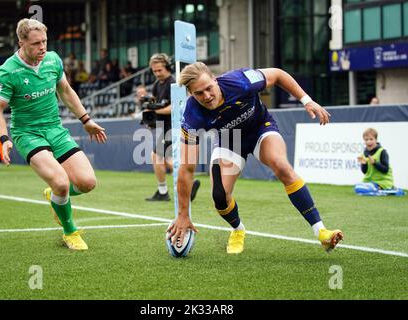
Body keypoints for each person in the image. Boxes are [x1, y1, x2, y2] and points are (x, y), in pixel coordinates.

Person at [167, 62, 343, 254]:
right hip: (229, 141)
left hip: (260, 127)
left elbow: (277, 74)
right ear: (191, 94)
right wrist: (183, 215)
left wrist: (306, 100)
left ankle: (321, 232)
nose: (207, 96)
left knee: (281, 166)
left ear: (215, 80)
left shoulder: (240, 82)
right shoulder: (192, 116)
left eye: (209, 88)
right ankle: (238, 230)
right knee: (219, 196)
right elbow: (186, 168)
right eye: (199, 93)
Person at [0, 18, 107, 251]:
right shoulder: (8, 72)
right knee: (62, 183)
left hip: (55, 129)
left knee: (87, 182)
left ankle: (54, 196)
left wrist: (86, 120)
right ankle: (70, 231)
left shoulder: (52, 60)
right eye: (36, 43)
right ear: (21, 43)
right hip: (28, 133)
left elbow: (65, 91)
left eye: (44, 41)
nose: (42, 47)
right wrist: (4, 139)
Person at [145, 53, 200, 202]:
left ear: (167, 68)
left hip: (176, 126)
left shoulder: (175, 83)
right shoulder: (157, 85)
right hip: (165, 126)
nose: (157, 74)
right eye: (154, 71)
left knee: (157, 156)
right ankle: (169, 188)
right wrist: (151, 115)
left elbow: (175, 107)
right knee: (162, 157)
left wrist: (154, 111)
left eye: (159, 70)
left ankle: (165, 190)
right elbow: (158, 104)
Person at [355, 128, 404, 196]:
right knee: (358, 188)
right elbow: (365, 172)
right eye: (366, 140)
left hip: (382, 181)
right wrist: (364, 164)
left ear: (376, 140)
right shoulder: (364, 153)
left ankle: (388, 190)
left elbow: (385, 170)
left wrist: (374, 163)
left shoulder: (382, 152)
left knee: (364, 189)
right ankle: (378, 191)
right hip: (369, 181)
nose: (369, 142)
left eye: (371, 139)